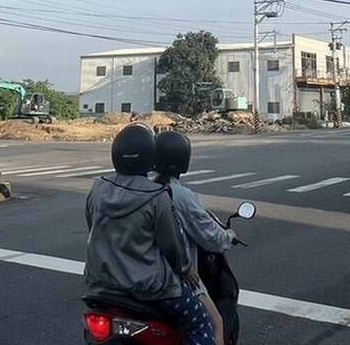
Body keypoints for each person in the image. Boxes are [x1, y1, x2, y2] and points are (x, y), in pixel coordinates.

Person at [84, 123, 217, 345]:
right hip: (152, 289)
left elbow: (92, 226)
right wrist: (186, 270)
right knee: (201, 323)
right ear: (149, 158)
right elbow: (172, 246)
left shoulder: (98, 188)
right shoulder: (157, 196)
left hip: (102, 286)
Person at [154, 131, 236, 345]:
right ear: (183, 160)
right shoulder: (179, 195)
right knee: (215, 323)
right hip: (174, 280)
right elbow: (210, 235)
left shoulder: (145, 189)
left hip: (134, 277)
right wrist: (228, 237)